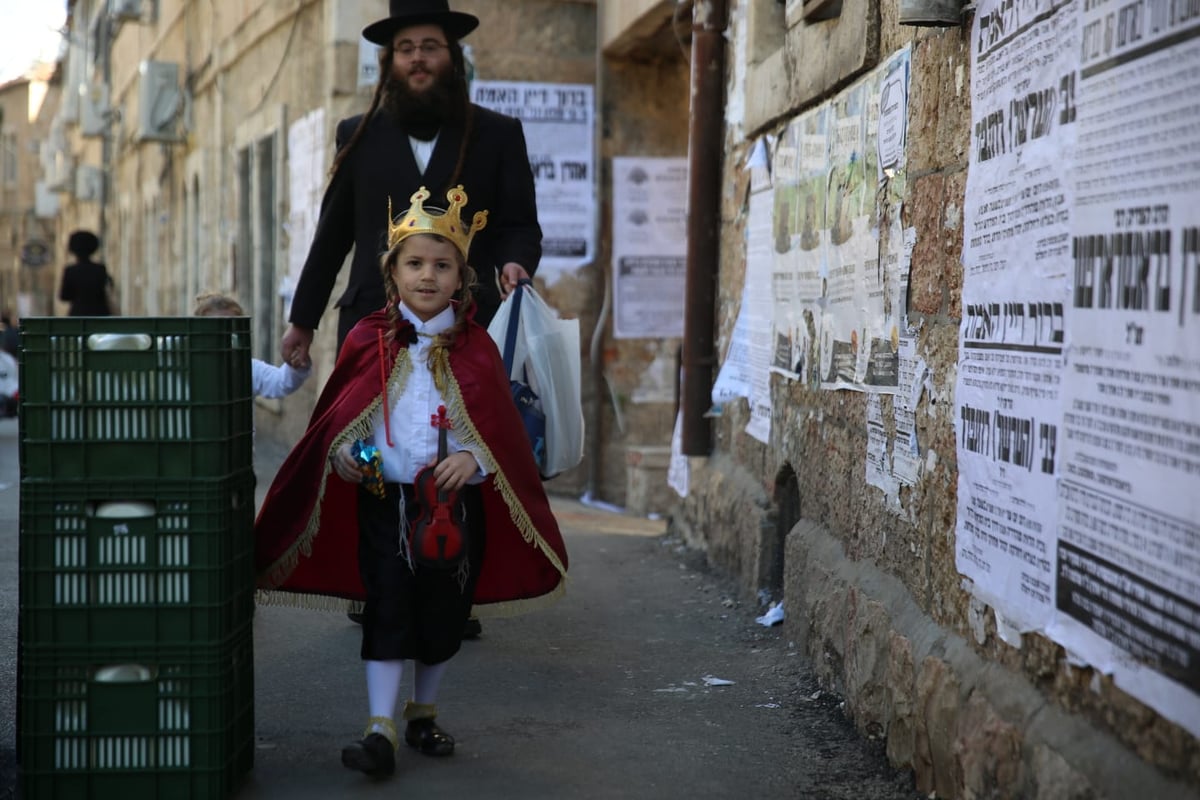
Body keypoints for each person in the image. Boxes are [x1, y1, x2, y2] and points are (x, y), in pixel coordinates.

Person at [254, 186, 567, 780]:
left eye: (442, 265)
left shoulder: (478, 349)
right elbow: (340, 418)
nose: (428, 275)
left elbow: (501, 431)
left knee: (443, 610)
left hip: (454, 508)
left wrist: (475, 459)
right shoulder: (363, 339)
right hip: (386, 500)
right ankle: (380, 728)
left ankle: (423, 712)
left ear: (461, 278)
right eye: (415, 263)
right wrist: (347, 452)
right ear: (392, 273)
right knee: (387, 605)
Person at [284, 0, 540, 638]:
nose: (419, 58)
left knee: (452, 453)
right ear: (390, 62)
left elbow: (518, 224)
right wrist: (302, 321)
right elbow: (331, 238)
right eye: (407, 49)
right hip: (372, 327)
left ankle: (452, 584)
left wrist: (514, 264)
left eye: (431, 46)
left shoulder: (498, 133)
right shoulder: (358, 134)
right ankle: (379, 582)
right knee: (374, 458)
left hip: (462, 326)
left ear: (452, 57)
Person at [193, 293, 312, 399]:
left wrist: (295, 363)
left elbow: (280, 382)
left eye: (231, 329)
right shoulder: (187, 368)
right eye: (215, 330)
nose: (223, 338)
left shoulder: (247, 369)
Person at [58, 230, 114, 316]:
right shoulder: (100, 269)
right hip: (100, 314)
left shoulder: (70, 271)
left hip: (78, 314)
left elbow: (64, 296)